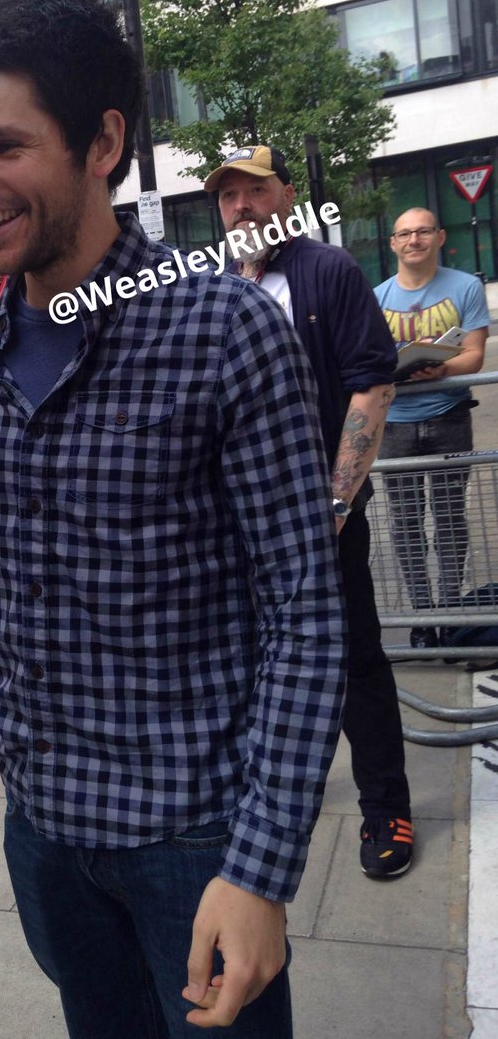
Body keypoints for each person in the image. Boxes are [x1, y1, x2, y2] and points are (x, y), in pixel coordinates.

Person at [0, 0, 346, 1039]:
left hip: (195, 844)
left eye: (4, 146)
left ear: (103, 140)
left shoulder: (221, 329)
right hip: (47, 836)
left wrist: (262, 863)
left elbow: (305, 606)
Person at [206, 145, 413, 881]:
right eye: (228, 196)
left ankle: (386, 807)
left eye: (254, 191)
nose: (241, 206)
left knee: (356, 658)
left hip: (322, 514)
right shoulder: (209, 287)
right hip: (235, 521)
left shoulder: (328, 272)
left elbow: (372, 385)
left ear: (285, 196)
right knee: (246, 664)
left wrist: (335, 502)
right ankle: (263, 799)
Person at [374, 208, 490, 648]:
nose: (414, 240)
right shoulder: (377, 296)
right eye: (404, 233)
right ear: (393, 243)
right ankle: (423, 615)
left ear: (440, 237)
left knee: (449, 519)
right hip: (396, 424)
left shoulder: (465, 286)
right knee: (404, 524)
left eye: (423, 231)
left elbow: (473, 357)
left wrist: (438, 371)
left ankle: (450, 608)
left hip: (449, 417)